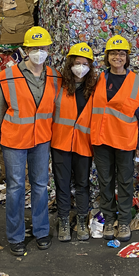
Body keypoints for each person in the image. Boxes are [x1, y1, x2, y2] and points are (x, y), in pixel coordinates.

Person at [0, 26, 61, 256]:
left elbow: (58, 108)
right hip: (14, 139)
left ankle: (41, 231)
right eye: (34, 48)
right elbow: (0, 107)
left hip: (41, 139)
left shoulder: (55, 76)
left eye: (43, 47)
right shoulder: (9, 75)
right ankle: (16, 236)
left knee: (40, 186)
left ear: (48, 49)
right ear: (26, 49)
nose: (38, 51)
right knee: (16, 187)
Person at [91, 35, 139, 243]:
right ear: (107, 57)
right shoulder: (97, 79)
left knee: (124, 182)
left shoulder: (137, 83)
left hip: (124, 140)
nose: (117, 57)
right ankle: (108, 218)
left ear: (127, 57)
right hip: (101, 140)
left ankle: (123, 221)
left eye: (121, 53)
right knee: (105, 181)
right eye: (113, 53)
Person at [51, 43, 96, 242]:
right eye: (77, 63)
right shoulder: (58, 85)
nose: (80, 67)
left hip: (83, 144)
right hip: (60, 142)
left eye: (85, 64)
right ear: (70, 64)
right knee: (61, 184)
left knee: (82, 184)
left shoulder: (94, 88)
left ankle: (81, 221)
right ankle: (63, 221)